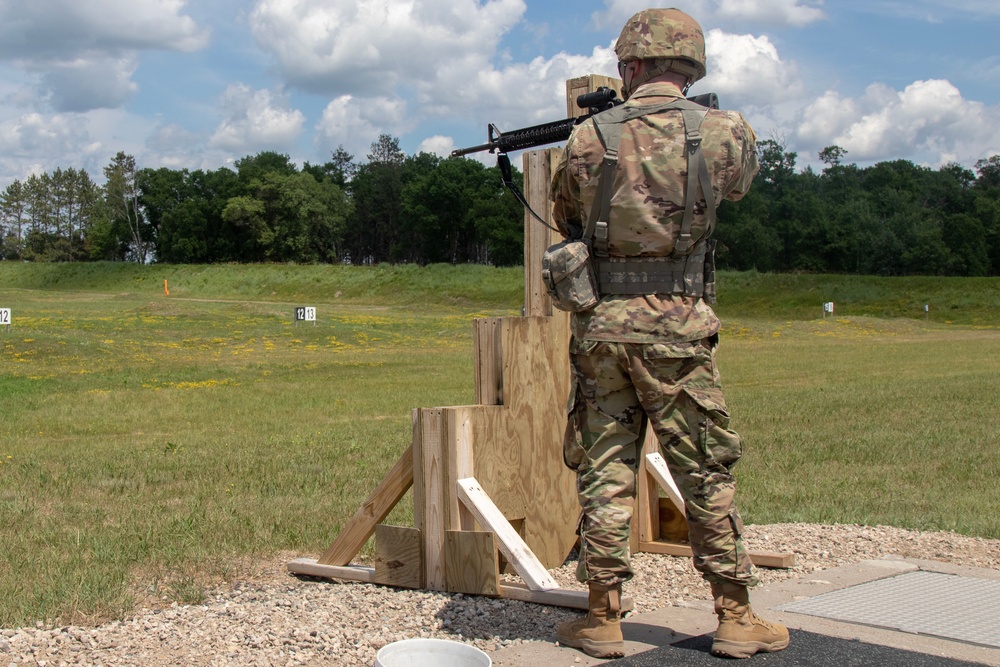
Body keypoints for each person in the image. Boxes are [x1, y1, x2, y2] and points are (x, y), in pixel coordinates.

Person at [549, 7, 790, 661]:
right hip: (678, 330)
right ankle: (735, 615)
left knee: (604, 470)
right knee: (704, 470)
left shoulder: (587, 138)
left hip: (602, 329)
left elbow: (564, 214)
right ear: (690, 65)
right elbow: (734, 189)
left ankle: (602, 616)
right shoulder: (724, 132)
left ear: (629, 66)